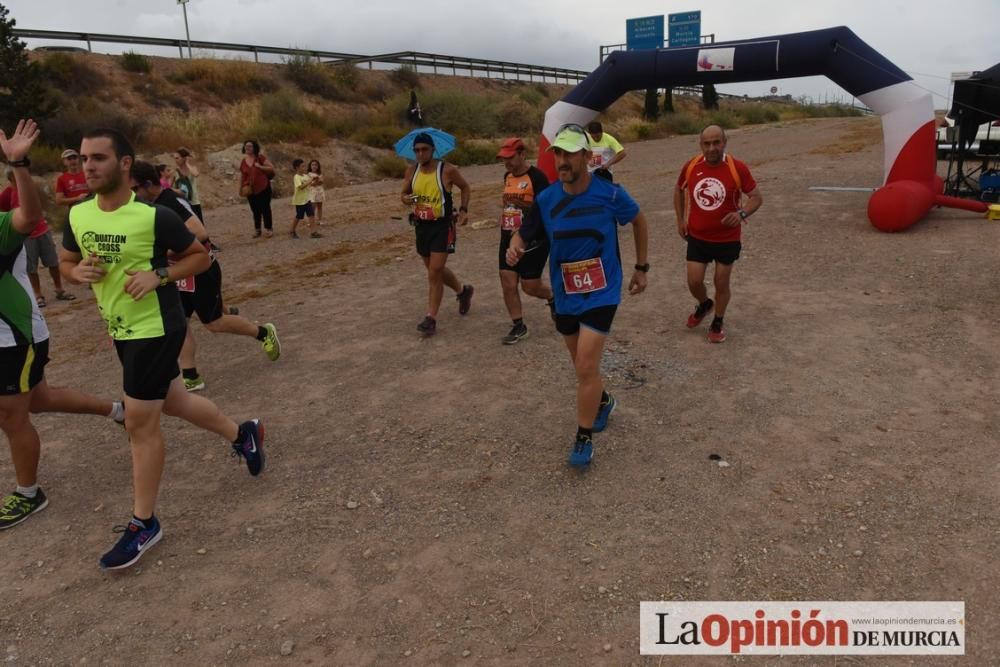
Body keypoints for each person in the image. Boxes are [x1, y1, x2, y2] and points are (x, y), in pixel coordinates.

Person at [60, 128, 265, 570]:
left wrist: (159, 275)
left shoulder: (153, 216)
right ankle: (242, 433)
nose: (88, 166)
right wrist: (78, 274)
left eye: (98, 158)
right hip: (120, 328)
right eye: (83, 159)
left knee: (139, 421)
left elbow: (200, 256)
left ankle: (144, 522)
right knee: (174, 401)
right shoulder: (78, 216)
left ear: (125, 164)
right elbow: (65, 262)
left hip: (156, 326)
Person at [0, 119, 124, 531]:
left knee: (11, 413)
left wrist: (19, 164)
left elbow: (31, 216)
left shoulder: (1, 227)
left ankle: (28, 494)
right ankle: (115, 409)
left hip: (13, 338)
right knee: (39, 399)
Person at [507, 124, 648, 467]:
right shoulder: (546, 199)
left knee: (586, 363)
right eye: (558, 153)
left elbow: (639, 220)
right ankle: (603, 402)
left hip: (602, 290)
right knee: (581, 366)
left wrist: (642, 267)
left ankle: (583, 437)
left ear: (586, 156)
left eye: (569, 153)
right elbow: (525, 232)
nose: (562, 160)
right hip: (566, 293)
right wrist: (516, 246)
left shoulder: (610, 194)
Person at [130, 160, 282, 392]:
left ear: (148, 185)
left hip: (201, 270)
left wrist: (163, 249)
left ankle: (263, 333)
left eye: (134, 190)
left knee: (214, 323)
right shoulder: (150, 206)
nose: (132, 195)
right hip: (177, 273)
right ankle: (190, 375)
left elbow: (200, 233)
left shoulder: (170, 201)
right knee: (179, 322)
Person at [673, 124, 762, 343]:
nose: (712, 148)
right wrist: (680, 219)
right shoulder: (692, 165)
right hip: (698, 237)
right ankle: (705, 304)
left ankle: (718, 321)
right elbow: (678, 189)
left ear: (724, 142)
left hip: (726, 239)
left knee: (721, 282)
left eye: (716, 142)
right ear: (701, 145)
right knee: (694, 282)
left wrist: (741, 213)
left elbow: (756, 197)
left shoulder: (737, 168)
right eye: (707, 143)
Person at [400, 132, 474, 337]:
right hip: (421, 226)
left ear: (433, 150)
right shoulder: (411, 170)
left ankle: (430, 318)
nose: (420, 153)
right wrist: (407, 199)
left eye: (424, 149)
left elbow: (465, 187)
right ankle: (462, 291)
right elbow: (403, 194)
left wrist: (464, 209)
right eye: (416, 150)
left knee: (434, 271)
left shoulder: (447, 170)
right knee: (435, 271)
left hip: (442, 226)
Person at [494, 137, 554, 344]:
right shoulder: (507, 177)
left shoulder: (537, 178)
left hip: (534, 239)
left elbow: (545, 210)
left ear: (522, 154)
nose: (507, 162)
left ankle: (552, 298)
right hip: (508, 235)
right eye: (504, 159)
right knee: (507, 281)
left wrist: (527, 234)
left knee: (530, 286)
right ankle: (518, 325)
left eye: (510, 158)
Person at [0, 170, 75, 307]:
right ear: (10, 180)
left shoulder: (30, 188)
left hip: (42, 230)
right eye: (12, 179)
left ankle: (60, 290)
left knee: (52, 262)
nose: (15, 181)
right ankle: (39, 295)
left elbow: (44, 203)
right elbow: (3, 211)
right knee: (31, 268)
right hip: (25, 237)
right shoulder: (8, 193)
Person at [239, 139, 276, 238]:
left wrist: (260, 166)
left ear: (255, 148)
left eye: (250, 146)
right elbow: (243, 176)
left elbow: (271, 168)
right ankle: (257, 229)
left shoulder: (260, 157)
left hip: (263, 187)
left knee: (265, 208)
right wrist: (240, 187)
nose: (248, 148)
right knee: (255, 210)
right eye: (246, 146)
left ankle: (268, 228)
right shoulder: (243, 161)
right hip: (250, 189)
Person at [291, 159, 321, 239]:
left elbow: (310, 184)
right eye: (302, 166)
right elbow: (300, 187)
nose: (304, 168)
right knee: (299, 216)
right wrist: (310, 180)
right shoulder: (296, 177)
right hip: (300, 201)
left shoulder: (305, 176)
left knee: (311, 215)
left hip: (307, 200)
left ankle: (313, 232)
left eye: (304, 166)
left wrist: (316, 180)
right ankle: (292, 230)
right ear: (297, 168)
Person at [307, 159, 324, 225]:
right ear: (310, 166)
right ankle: (311, 221)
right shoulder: (308, 174)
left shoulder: (320, 174)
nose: (314, 166)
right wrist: (317, 181)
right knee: (312, 207)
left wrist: (316, 181)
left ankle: (319, 220)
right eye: (312, 165)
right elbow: (311, 184)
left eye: (316, 165)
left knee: (320, 206)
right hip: (312, 192)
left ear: (318, 166)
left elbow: (322, 182)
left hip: (319, 191)